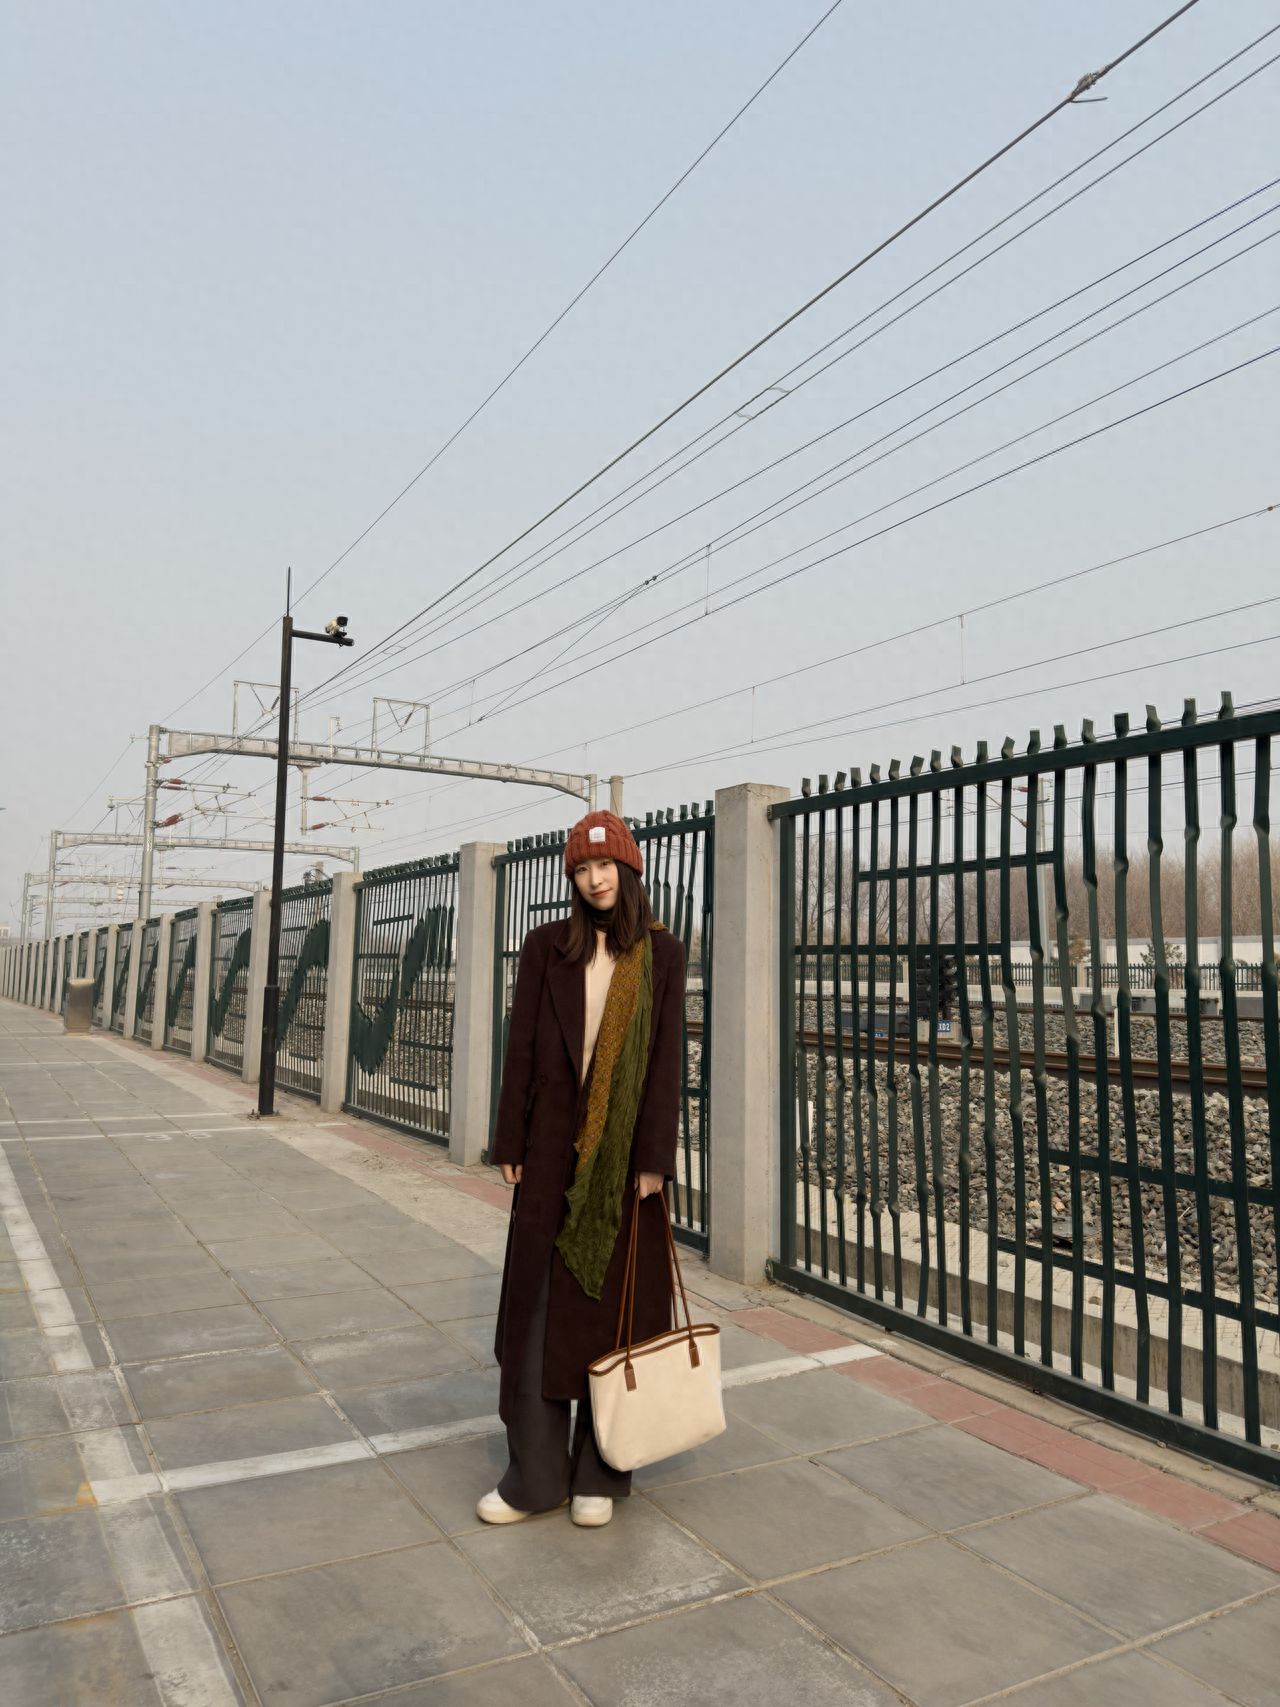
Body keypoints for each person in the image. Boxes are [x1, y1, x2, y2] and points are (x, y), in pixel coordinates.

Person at [479, 809, 686, 1528]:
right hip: (548, 1150)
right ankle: (534, 1478)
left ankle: (600, 1471)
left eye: (605, 865)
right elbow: (524, 1048)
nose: (594, 879)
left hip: (625, 1163)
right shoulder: (546, 947)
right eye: (580, 868)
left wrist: (656, 1159)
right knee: (535, 1317)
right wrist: (510, 1139)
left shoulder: (663, 955)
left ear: (628, 869)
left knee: (611, 1314)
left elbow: (665, 1064)